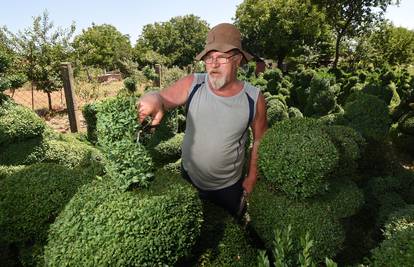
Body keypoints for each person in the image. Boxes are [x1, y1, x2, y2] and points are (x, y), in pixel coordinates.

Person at [137, 23, 267, 218]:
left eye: (221, 57)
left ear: (238, 60)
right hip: (189, 178)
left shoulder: (254, 98)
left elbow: (259, 140)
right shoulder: (193, 84)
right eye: (209, 57)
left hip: (229, 187)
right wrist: (153, 98)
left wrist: (252, 177)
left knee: (228, 230)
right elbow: (163, 98)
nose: (213, 64)